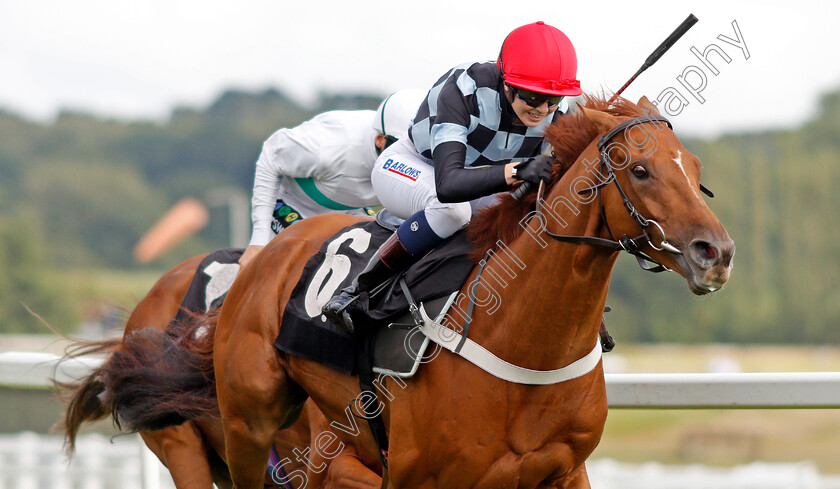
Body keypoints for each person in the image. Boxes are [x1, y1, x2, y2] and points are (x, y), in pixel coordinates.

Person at [323, 21, 582, 330]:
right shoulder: (465, 89)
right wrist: (518, 171)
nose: (542, 109)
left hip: (479, 181)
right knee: (452, 211)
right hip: (414, 167)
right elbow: (449, 185)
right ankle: (356, 291)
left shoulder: (556, 109)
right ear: (507, 84)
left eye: (551, 100)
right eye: (532, 97)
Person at [237, 89, 427, 268]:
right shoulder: (327, 148)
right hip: (291, 203)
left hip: (350, 209)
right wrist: (259, 241)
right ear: (380, 140)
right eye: (403, 150)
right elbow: (271, 155)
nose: (412, 160)